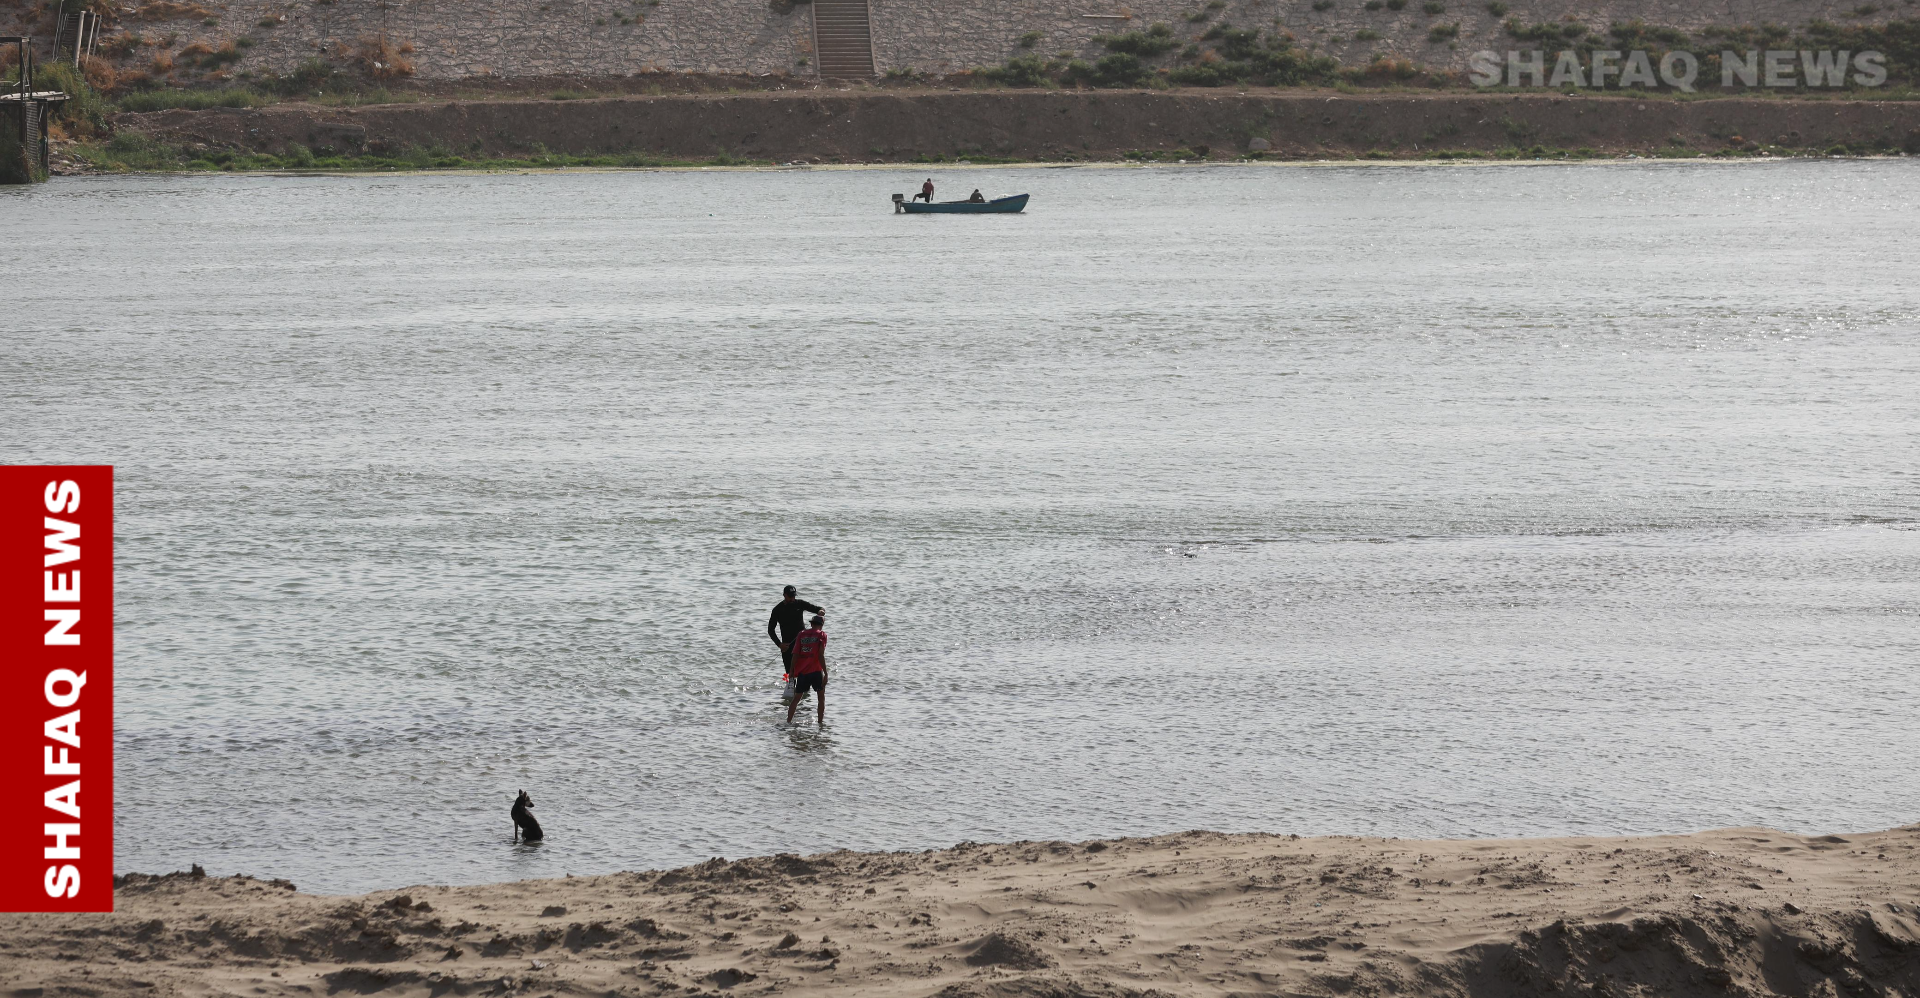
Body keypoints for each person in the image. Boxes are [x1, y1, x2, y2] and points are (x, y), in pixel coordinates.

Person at [767, 585, 824, 677]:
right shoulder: (777, 610)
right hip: (787, 646)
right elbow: (770, 630)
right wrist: (779, 644)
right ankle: (792, 688)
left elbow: (816, 609)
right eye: (790, 596)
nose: (793, 599)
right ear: (784, 595)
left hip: (803, 643)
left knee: (805, 672)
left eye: (794, 596)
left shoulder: (800, 604)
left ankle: (805, 690)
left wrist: (821, 611)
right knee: (791, 673)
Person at [785, 614, 828, 724]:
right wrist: (826, 673)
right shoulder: (822, 635)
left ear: (811, 624)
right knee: (821, 698)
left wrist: (791, 670)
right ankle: (820, 723)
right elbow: (820, 655)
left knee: (796, 698)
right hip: (816, 671)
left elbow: (795, 654)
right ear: (821, 625)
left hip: (803, 672)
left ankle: (788, 722)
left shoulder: (801, 634)